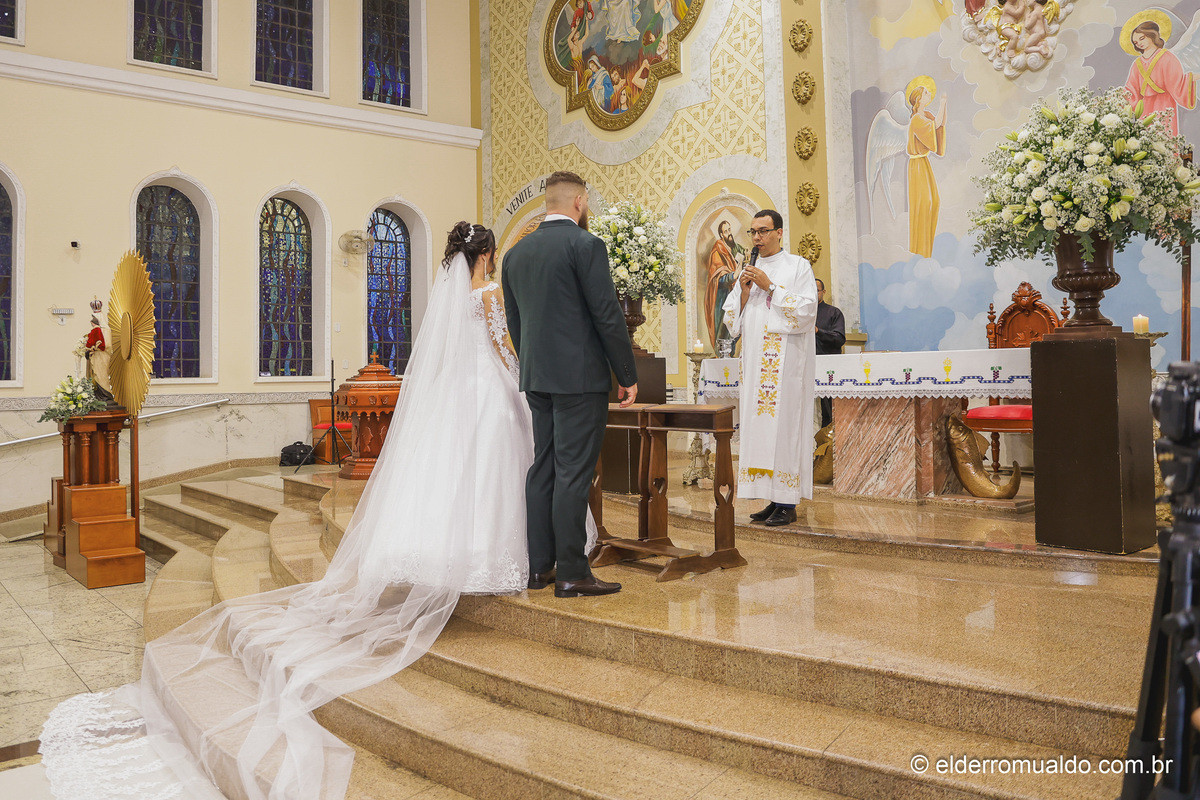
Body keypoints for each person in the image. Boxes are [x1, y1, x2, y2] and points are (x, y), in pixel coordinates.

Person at [38, 222, 583, 800]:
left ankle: (448, 548)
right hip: (489, 392)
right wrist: (523, 384)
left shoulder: (448, 297)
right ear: (488, 254)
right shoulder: (491, 293)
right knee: (495, 466)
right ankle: (492, 551)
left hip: (452, 396)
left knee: (450, 474)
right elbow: (503, 349)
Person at [503, 170, 637, 597]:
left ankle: (539, 568)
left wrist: (533, 363)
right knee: (573, 472)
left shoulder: (515, 254)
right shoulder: (585, 245)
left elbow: (514, 320)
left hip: (537, 376)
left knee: (543, 465)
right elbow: (607, 314)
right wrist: (626, 374)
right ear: (579, 201)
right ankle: (573, 572)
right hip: (579, 379)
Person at [722, 209, 817, 528]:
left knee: (785, 429)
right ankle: (772, 498)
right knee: (760, 429)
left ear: (779, 232)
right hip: (755, 365)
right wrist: (745, 292)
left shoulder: (797, 266)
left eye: (763, 231)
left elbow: (807, 311)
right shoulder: (748, 270)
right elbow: (731, 321)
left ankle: (787, 502)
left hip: (786, 366)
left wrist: (771, 287)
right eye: (752, 232)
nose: (756, 238)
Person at [1125, 20, 1196, 137]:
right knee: (1145, 139)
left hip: (1164, 105)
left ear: (1152, 35)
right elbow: (1131, 90)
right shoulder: (1137, 64)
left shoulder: (1167, 58)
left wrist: (1191, 78)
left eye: (1142, 38)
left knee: (1164, 136)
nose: (1139, 43)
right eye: (1136, 42)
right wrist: (1117, 99)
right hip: (1144, 108)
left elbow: (1178, 83)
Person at [906, 76, 946, 258]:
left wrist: (944, 107)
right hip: (917, 166)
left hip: (924, 163)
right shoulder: (916, 119)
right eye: (926, 93)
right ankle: (920, 250)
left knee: (934, 201)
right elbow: (935, 125)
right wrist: (942, 103)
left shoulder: (926, 115)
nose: (930, 94)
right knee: (923, 204)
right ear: (919, 99)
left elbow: (939, 125)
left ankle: (927, 249)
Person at [704, 219, 746, 350]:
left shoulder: (735, 247)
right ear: (721, 235)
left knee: (736, 330)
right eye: (726, 231)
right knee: (723, 333)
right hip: (722, 298)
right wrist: (733, 275)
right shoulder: (718, 251)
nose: (729, 233)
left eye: (729, 230)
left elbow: (743, 257)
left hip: (735, 295)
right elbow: (717, 278)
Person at [814, 278, 845, 429]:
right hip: (806, 366)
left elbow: (839, 339)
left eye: (816, 290)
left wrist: (818, 331)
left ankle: (828, 440)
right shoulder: (801, 314)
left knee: (828, 410)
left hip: (828, 368)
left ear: (823, 292)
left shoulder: (833, 312)